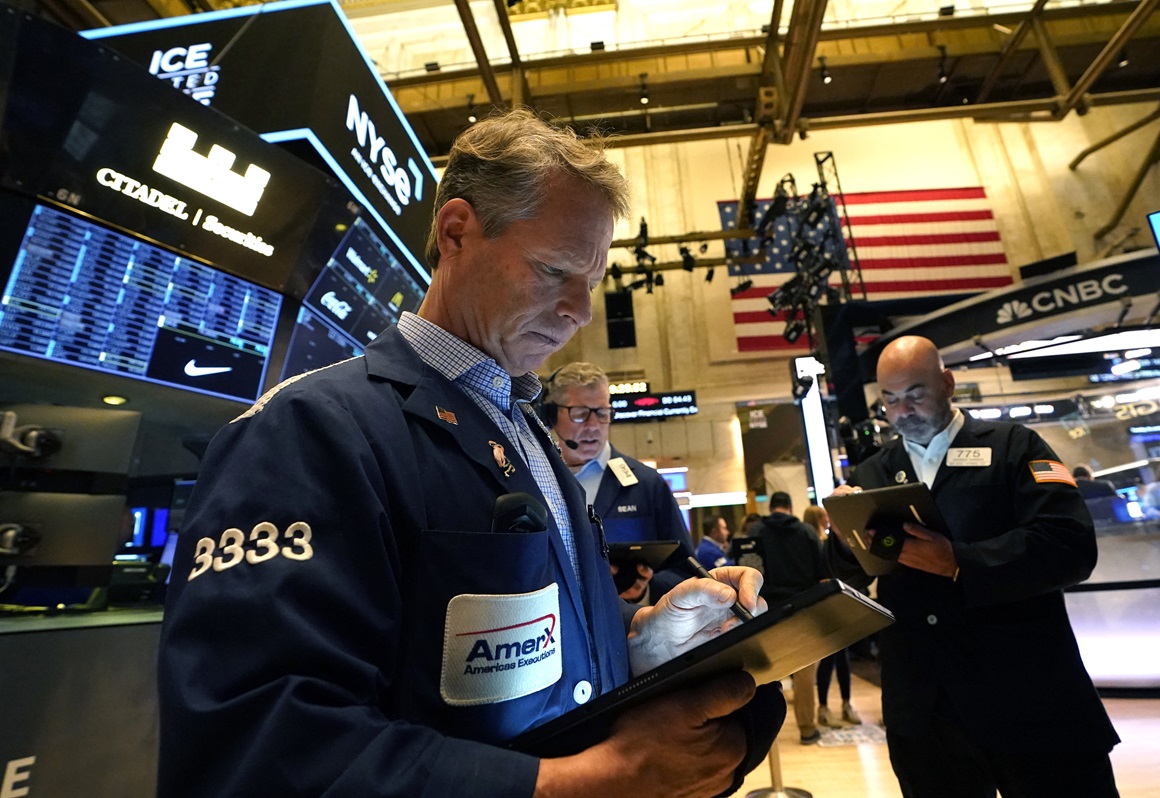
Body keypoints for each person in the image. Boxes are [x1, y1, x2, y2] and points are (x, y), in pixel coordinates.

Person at [155, 108, 783, 798]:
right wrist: (591, 784)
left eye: (593, 280)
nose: (581, 310)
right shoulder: (310, 429)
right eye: (554, 271)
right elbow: (259, 745)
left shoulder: (530, 437)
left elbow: (525, 664)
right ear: (457, 231)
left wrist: (645, 642)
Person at [838, 335, 1120, 798]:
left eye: (915, 394)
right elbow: (850, 569)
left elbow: (1070, 544)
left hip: (1028, 695)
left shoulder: (1015, 446)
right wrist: (847, 539)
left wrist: (961, 563)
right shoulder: (872, 473)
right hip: (925, 708)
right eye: (890, 400)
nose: (902, 410)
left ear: (947, 383)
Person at [545, 361, 695, 602]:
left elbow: (686, 570)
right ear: (551, 415)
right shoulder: (535, 478)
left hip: (633, 629)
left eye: (602, 413)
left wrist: (645, 590)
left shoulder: (647, 484)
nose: (593, 426)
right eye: (580, 414)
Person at [757, 491, 826, 745]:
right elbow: (823, 572)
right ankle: (807, 729)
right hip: (802, 609)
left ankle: (764, 733)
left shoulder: (756, 532)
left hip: (764, 610)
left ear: (772, 507)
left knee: (764, 673)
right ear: (790, 506)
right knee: (805, 674)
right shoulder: (807, 533)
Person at [802, 504, 862, 728]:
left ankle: (839, 705)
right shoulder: (818, 545)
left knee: (840, 657)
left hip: (837, 603)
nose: (829, 520)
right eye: (825, 517)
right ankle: (827, 707)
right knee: (831, 657)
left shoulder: (825, 543)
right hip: (829, 605)